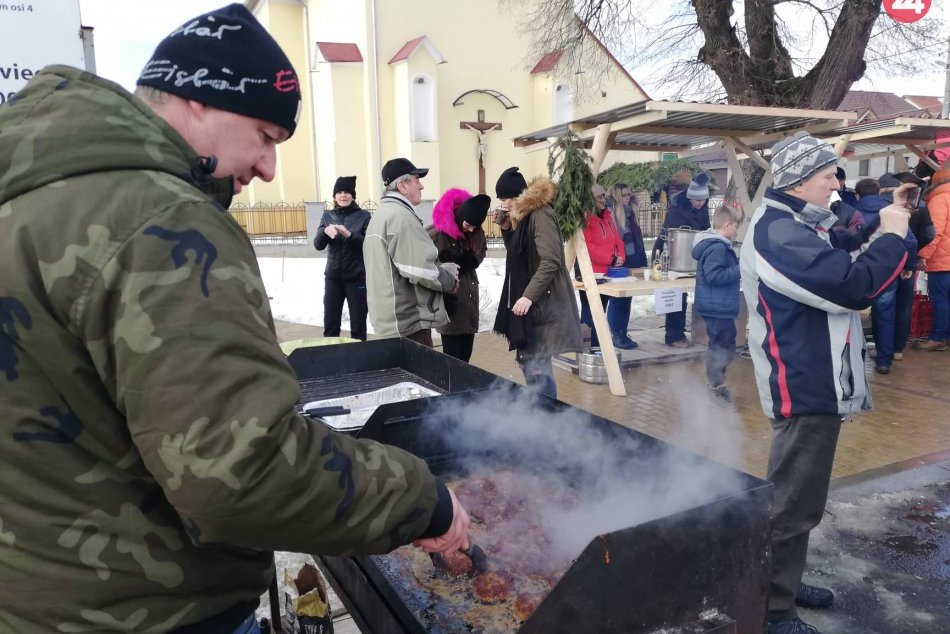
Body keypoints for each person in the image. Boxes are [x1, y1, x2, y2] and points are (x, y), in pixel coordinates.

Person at [0, 5, 470, 632]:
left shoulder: (32, 191)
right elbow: (239, 471)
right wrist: (424, 500)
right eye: (266, 136)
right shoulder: (163, 220)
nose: (269, 167)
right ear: (198, 99)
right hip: (147, 607)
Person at [741, 131, 910, 634]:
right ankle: (773, 611)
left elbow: (840, 245)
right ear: (798, 182)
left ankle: (783, 583)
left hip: (813, 381)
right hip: (803, 385)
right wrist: (893, 238)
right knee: (791, 505)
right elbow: (852, 285)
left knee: (800, 498)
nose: (837, 183)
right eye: (828, 175)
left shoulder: (792, 222)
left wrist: (886, 220)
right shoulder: (777, 232)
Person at [493, 167, 582, 398]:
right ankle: (542, 413)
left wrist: (527, 296)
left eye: (504, 199)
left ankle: (547, 414)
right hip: (535, 307)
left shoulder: (540, 214)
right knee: (532, 366)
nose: (503, 205)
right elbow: (518, 254)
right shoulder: (524, 216)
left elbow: (551, 260)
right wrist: (506, 228)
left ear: (517, 196)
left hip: (544, 306)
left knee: (538, 371)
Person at [363, 158, 460, 347]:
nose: (421, 186)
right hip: (407, 325)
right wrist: (449, 280)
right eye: (417, 180)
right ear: (402, 186)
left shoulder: (381, 215)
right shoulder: (402, 218)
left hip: (389, 321)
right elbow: (421, 270)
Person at [853, 177, 918, 373]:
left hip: (861, 270)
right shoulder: (892, 213)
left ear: (858, 195)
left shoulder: (852, 213)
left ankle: (857, 360)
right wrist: (908, 266)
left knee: (855, 316)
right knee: (886, 314)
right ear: (879, 192)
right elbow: (911, 241)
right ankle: (885, 359)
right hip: (889, 270)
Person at [652, 172, 712, 348]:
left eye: (703, 200)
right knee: (677, 294)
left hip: (693, 257)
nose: (700, 204)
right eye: (697, 200)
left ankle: (692, 333)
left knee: (689, 293)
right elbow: (667, 235)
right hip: (675, 257)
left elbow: (705, 228)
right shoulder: (676, 210)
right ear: (690, 197)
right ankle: (674, 335)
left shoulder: (703, 208)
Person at [428, 189, 489, 362]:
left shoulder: (474, 232)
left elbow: (481, 249)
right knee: (453, 360)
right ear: (460, 215)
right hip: (451, 301)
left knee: (465, 356)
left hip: (468, 300)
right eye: (468, 224)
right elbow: (423, 262)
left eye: (475, 227)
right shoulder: (438, 233)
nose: (471, 229)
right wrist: (445, 266)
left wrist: (472, 261)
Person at [691, 206, 742, 403]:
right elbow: (714, 276)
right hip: (717, 306)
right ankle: (715, 384)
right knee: (723, 345)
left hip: (717, 304)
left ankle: (715, 381)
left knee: (722, 343)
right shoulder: (718, 248)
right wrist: (740, 268)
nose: (736, 230)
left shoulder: (717, 246)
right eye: (736, 226)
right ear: (727, 225)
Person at [314, 176, 371, 340]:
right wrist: (324, 233)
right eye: (339, 192)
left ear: (353, 196)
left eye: (347, 192)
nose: (343, 195)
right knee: (330, 325)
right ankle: (332, 355)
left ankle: (358, 355)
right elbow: (318, 245)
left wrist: (350, 235)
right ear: (334, 196)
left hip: (357, 278)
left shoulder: (364, 216)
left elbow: (370, 246)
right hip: (333, 279)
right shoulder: (327, 216)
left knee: (358, 327)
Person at [579, 184, 635, 349]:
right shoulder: (585, 219)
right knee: (590, 313)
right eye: (599, 197)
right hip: (592, 273)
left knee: (601, 311)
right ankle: (588, 347)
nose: (603, 200)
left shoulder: (608, 216)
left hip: (608, 273)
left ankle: (598, 347)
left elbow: (617, 239)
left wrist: (620, 257)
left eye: (604, 196)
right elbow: (587, 247)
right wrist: (611, 259)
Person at [605, 183, 648, 349]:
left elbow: (637, 239)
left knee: (627, 298)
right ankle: (616, 333)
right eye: (624, 195)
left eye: (629, 194)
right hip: (620, 261)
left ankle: (622, 332)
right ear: (617, 196)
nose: (628, 197)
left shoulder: (630, 212)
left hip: (633, 259)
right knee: (618, 299)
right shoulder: (613, 213)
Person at [916, 164, 950, 351]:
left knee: (940, 300)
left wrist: (923, 255)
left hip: (942, 260)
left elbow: (934, 232)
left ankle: (937, 338)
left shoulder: (939, 199)